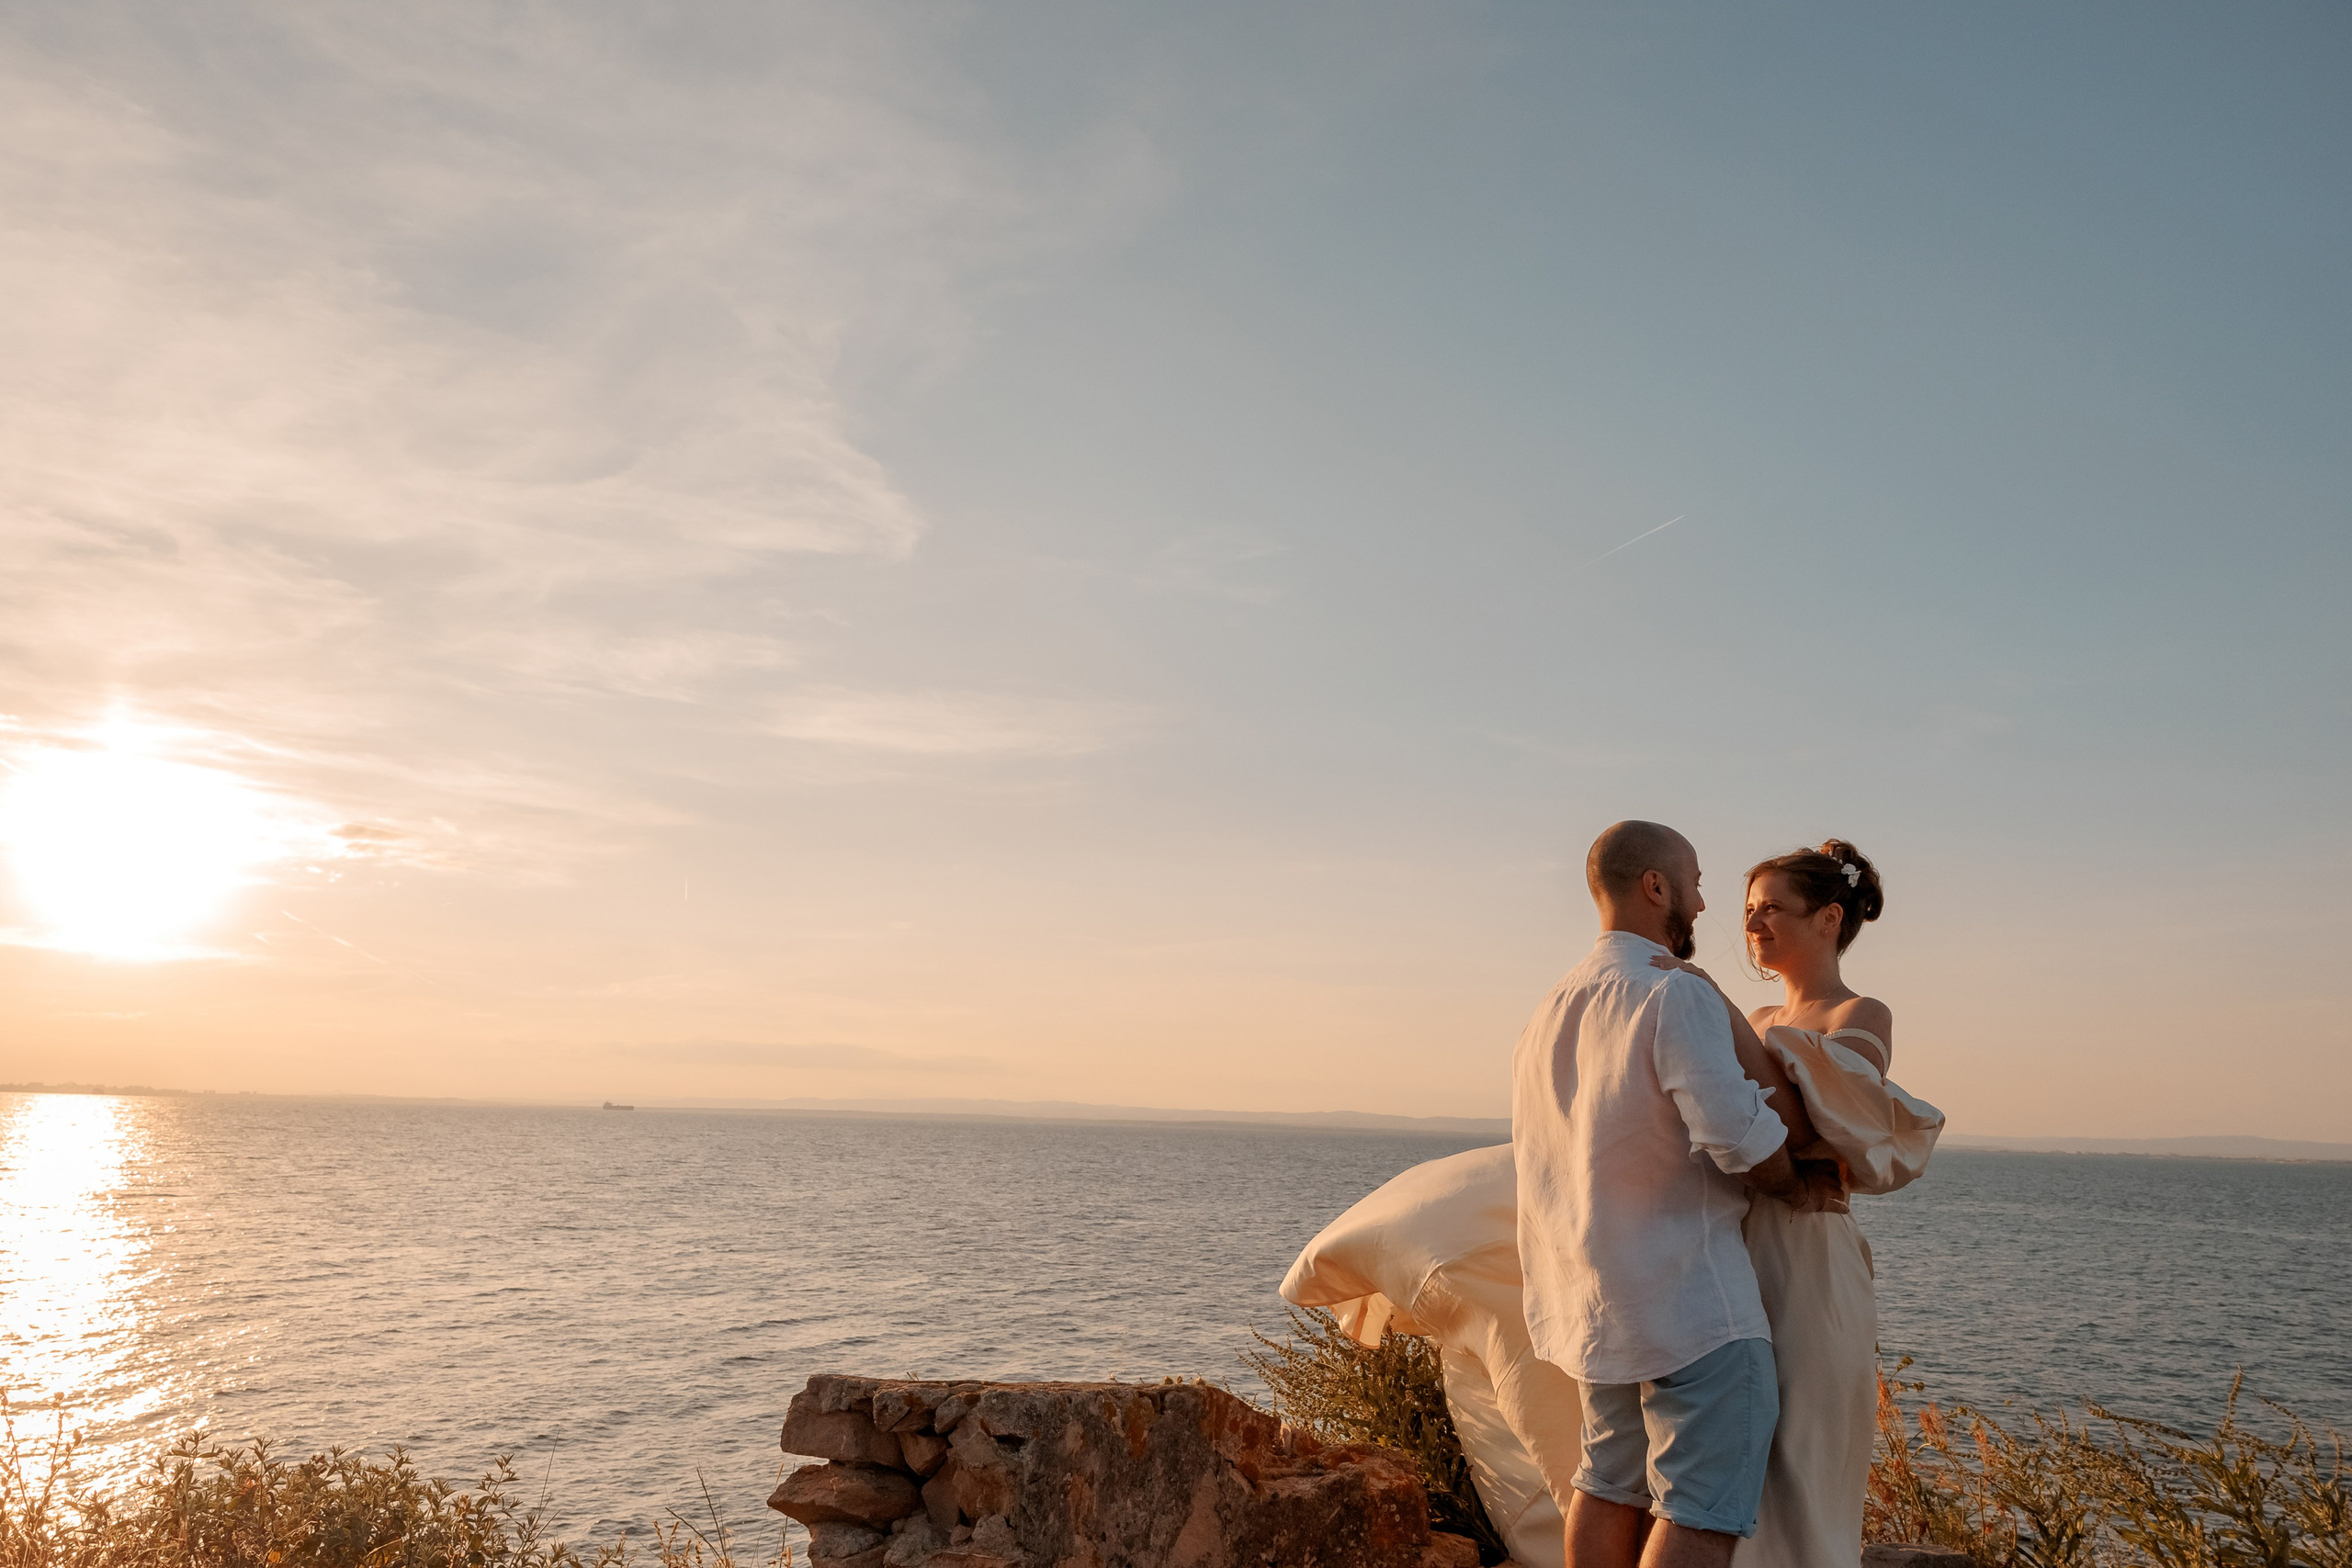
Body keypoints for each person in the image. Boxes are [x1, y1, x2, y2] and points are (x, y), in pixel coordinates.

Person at [1514, 821, 1844, 1568]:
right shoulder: (1668, 993)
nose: (1701, 903)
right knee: (1699, 1508)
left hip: (1591, 1301)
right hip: (1692, 1304)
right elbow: (1737, 1134)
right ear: (1655, 885)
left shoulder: (1547, 1011)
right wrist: (1796, 1186)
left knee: (1606, 1483)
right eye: (1694, 883)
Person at [1646, 841, 1943, 1568]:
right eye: (1749, 911)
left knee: (1805, 1447)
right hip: (1736, 1245)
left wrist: (1707, 1001)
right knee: (1742, 1444)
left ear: (1829, 917)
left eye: (1773, 907)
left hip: (1813, 1255)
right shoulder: (1758, 1013)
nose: (1754, 924)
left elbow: (1821, 1112)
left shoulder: (1861, 1011)